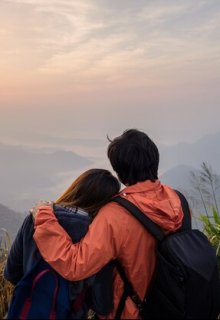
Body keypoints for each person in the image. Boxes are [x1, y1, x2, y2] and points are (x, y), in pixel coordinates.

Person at [33, 129, 184, 319]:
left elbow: (75, 265)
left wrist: (45, 215)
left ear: (120, 173)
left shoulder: (115, 215)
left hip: (130, 312)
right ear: (155, 159)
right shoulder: (178, 201)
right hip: (172, 308)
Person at [4, 168, 120, 319]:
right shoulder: (97, 236)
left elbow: (11, 272)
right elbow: (101, 304)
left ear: (75, 188)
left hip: (26, 312)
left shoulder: (36, 219)